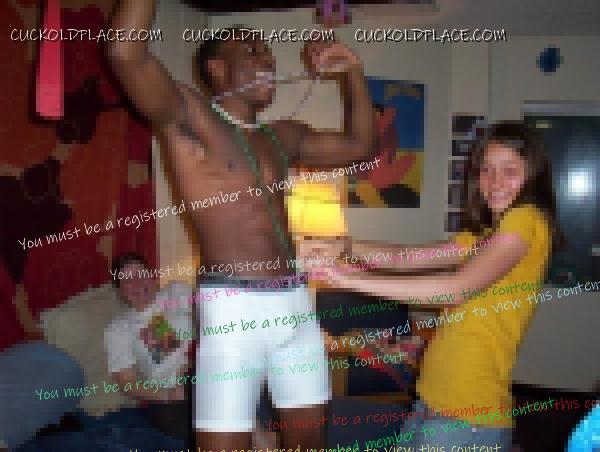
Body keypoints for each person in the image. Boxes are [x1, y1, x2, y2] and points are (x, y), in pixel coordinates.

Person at [108, 1, 374, 449]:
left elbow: (360, 146)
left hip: (296, 308)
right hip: (232, 315)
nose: (266, 58)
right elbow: (124, 52)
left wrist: (353, 71)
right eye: (250, 50)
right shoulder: (189, 117)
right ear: (216, 68)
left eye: (267, 51)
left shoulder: (283, 136)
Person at [308, 122, 561, 450]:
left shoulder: (526, 219)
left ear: (533, 174)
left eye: (510, 171)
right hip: (433, 400)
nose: (495, 182)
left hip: (467, 415)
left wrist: (349, 279)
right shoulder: (484, 238)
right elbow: (403, 258)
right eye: (486, 170)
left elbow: (456, 289)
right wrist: (344, 246)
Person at [105, 253, 193, 445]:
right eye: (128, 280)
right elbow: (127, 382)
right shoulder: (120, 327)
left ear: (153, 276)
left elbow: (209, 320)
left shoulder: (176, 291)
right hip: (171, 396)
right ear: (120, 291)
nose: (137, 283)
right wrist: (167, 395)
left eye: (141, 274)